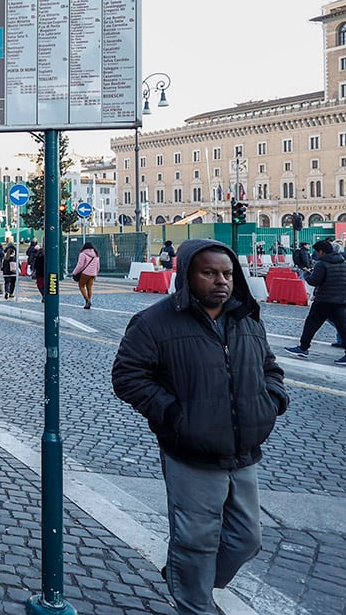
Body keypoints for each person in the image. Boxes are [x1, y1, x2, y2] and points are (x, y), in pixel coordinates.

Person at [113, 239, 288, 615]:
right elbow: (127, 376)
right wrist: (175, 416)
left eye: (226, 273)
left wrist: (271, 402)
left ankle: (186, 578)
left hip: (243, 450)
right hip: (190, 450)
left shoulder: (246, 318)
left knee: (246, 538)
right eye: (209, 273)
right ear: (188, 275)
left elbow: (270, 368)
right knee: (195, 540)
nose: (220, 281)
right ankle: (195, 603)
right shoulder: (153, 323)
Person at [284, 240, 346, 366]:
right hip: (341, 301)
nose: (316, 254)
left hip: (323, 300)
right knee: (344, 328)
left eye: (317, 252)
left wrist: (307, 274)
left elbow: (314, 281)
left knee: (311, 324)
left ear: (322, 252)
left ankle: (303, 348)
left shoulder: (322, 264)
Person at [71, 241, 100, 309]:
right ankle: (89, 301)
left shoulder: (83, 254)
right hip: (93, 273)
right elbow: (98, 266)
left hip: (85, 273)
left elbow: (80, 265)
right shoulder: (96, 254)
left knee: (81, 286)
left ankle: (87, 300)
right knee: (89, 287)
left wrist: (74, 273)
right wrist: (96, 273)